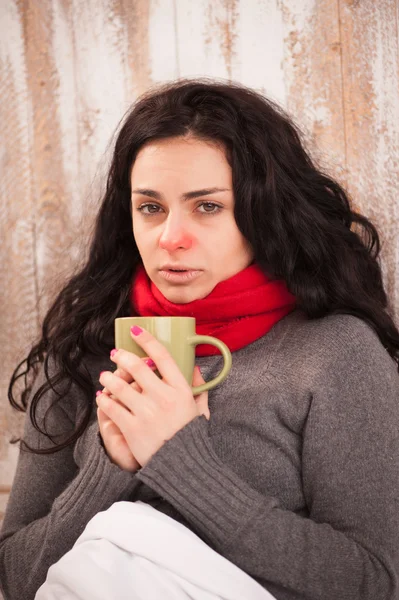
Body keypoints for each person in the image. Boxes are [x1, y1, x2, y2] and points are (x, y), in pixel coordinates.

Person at [1, 78, 399, 600]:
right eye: (150, 207)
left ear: (263, 211)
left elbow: (373, 583)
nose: (170, 237)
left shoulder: (335, 355)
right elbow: (14, 575)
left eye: (207, 206)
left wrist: (182, 461)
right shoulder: (81, 351)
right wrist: (111, 466)